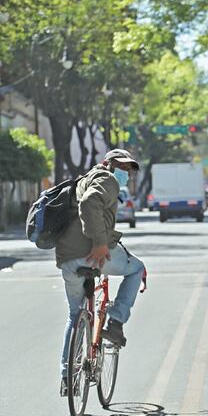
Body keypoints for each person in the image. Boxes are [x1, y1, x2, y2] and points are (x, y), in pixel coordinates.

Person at [56, 149, 146, 395]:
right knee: (136, 268)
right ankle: (116, 322)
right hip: (94, 253)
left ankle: (67, 376)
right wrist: (99, 242)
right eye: (122, 166)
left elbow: (83, 202)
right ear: (108, 164)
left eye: (128, 169)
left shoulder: (83, 180)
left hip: (67, 257)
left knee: (75, 315)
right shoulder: (107, 179)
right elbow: (90, 203)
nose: (125, 172)